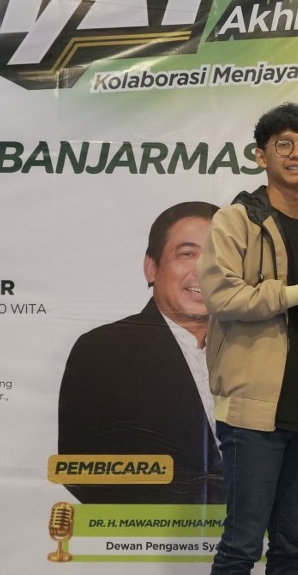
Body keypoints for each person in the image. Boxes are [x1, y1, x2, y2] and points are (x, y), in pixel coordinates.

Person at [199, 103, 298, 575]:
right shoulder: (236, 220)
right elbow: (223, 297)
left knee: (291, 550)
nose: (296, 153)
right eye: (283, 144)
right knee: (240, 547)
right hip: (253, 414)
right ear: (261, 155)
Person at [57, 201, 223, 504]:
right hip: (149, 529)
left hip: (249, 529)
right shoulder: (103, 351)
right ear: (152, 268)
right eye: (187, 254)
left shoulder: (254, 350)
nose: (203, 269)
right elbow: (81, 469)